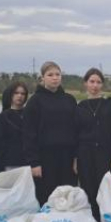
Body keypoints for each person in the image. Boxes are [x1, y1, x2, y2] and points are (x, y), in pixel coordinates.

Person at [23, 61, 78, 206]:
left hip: (67, 157)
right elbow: (29, 134)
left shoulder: (70, 100)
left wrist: (76, 158)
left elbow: (76, 130)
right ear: (42, 78)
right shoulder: (35, 102)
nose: (55, 78)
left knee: (67, 196)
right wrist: (34, 163)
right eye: (50, 75)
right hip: (45, 159)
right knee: (47, 198)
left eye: (58, 74)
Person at [76, 68, 111, 222]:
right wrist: (75, 158)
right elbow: (75, 134)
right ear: (86, 84)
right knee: (88, 189)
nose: (95, 85)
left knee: (105, 190)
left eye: (98, 82)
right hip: (85, 155)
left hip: (105, 155)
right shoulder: (80, 108)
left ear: (102, 85)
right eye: (92, 82)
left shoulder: (110, 106)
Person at [0, 82, 29, 173]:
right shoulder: (0, 119)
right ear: (10, 95)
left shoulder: (31, 116)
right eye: (16, 93)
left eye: (23, 94)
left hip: (29, 165)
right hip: (9, 166)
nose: (19, 96)